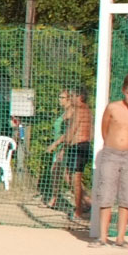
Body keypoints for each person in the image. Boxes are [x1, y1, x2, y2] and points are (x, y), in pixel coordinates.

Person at [90, 73, 128, 250]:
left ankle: (120, 238)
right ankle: (102, 237)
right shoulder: (113, 108)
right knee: (106, 194)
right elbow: (105, 129)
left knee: (126, 196)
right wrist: (113, 144)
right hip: (110, 154)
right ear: (124, 91)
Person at [45, 87, 91, 222]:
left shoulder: (79, 111)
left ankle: (83, 207)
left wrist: (61, 147)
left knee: (73, 179)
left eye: (72, 96)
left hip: (76, 147)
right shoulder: (81, 111)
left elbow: (71, 132)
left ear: (79, 97)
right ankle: (83, 204)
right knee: (68, 177)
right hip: (75, 146)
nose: (70, 99)